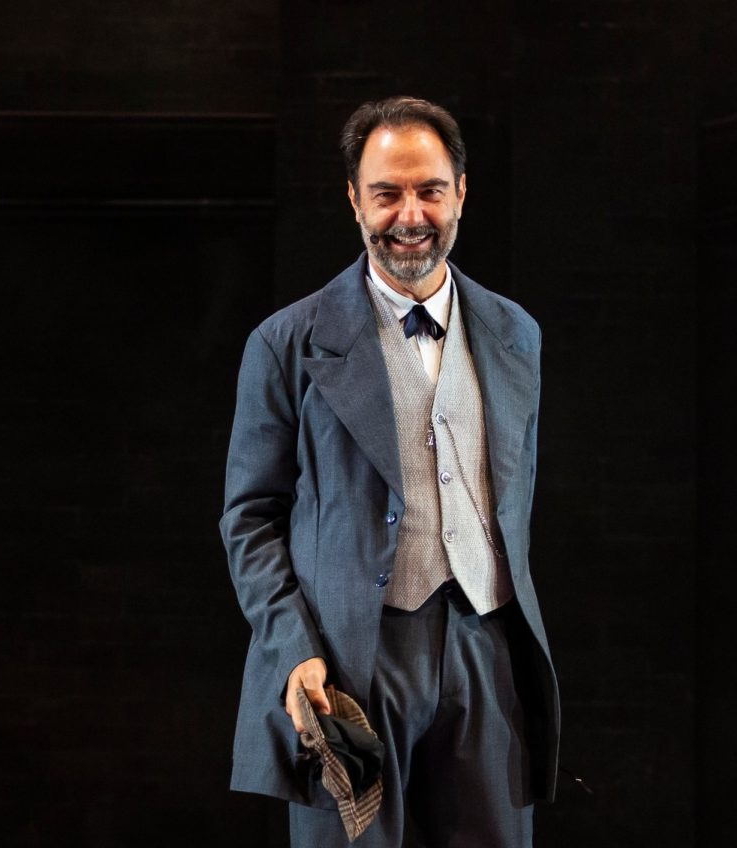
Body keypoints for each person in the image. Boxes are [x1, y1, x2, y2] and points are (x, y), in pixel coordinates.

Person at [220, 96, 560, 847]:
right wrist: (294, 648)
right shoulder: (287, 342)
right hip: (350, 661)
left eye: (430, 190)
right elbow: (249, 518)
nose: (411, 215)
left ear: (461, 192)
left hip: (486, 649)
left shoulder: (515, 334)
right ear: (354, 199)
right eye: (387, 193)